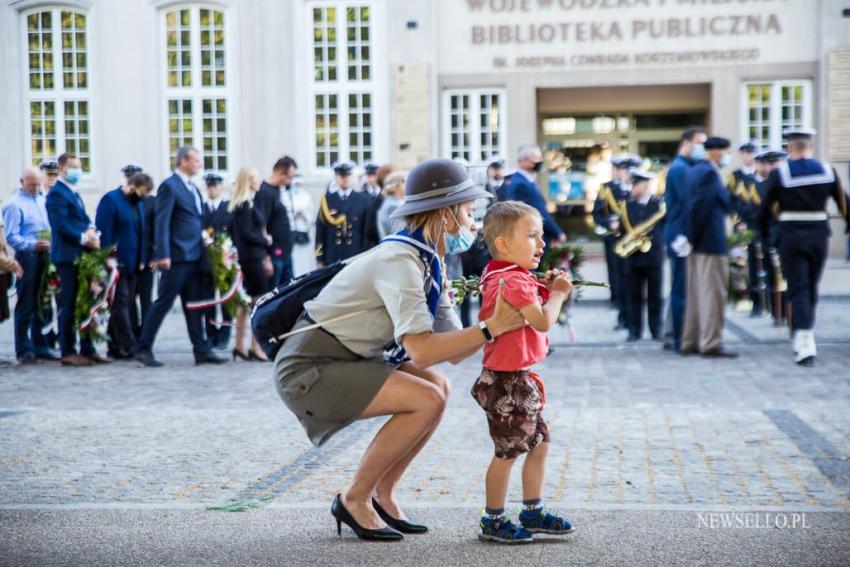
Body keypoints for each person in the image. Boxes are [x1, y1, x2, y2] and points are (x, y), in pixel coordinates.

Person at [274, 158, 525, 541]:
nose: (474, 224)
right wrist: (491, 327)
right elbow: (421, 350)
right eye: (469, 213)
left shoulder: (429, 260)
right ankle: (354, 498)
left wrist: (500, 313)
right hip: (309, 367)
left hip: (347, 356)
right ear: (444, 214)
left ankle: (382, 494)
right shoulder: (401, 260)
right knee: (424, 398)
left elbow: (455, 350)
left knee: (438, 388)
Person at [471, 201, 574, 544]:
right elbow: (544, 319)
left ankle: (532, 511)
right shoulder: (513, 281)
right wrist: (558, 295)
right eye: (532, 236)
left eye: (541, 236)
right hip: (506, 383)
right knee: (508, 451)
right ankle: (493, 519)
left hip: (519, 378)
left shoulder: (506, 274)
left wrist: (544, 287)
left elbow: (530, 303)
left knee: (540, 442)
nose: (541, 245)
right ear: (503, 244)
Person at [758, 128, 849, 366]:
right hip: (818, 234)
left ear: (789, 148)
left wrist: (766, 236)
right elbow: (844, 204)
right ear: (810, 147)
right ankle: (804, 332)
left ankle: (804, 339)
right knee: (811, 286)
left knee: (798, 288)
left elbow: (765, 208)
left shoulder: (781, 173)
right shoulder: (828, 171)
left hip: (791, 235)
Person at [134, 146, 225, 368]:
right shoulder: (170, 186)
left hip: (194, 255)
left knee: (194, 305)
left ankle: (201, 350)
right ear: (183, 161)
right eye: (196, 160)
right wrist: (163, 254)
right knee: (163, 302)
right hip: (176, 257)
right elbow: (162, 222)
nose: (199, 164)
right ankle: (143, 347)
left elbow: (194, 219)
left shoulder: (193, 187)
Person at [44, 153, 107, 366]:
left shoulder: (73, 192)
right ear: (62, 169)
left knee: (87, 302)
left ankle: (87, 347)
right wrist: (84, 239)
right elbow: (61, 226)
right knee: (70, 304)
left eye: (80, 167)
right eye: (73, 167)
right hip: (68, 256)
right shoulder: (57, 194)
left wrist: (92, 232)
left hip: (83, 256)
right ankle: (68, 350)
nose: (77, 171)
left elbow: (84, 219)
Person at [681, 136, 738, 358]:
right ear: (716, 152)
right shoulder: (707, 172)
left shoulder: (697, 170)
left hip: (699, 242)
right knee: (712, 295)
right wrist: (693, 239)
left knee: (697, 295)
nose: (727, 156)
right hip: (708, 243)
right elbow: (699, 208)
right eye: (725, 152)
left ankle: (692, 340)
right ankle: (710, 343)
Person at [2, 166, 56, 363]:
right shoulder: (14, 205)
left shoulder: (42, 200)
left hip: (45, 254)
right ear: (22, 182)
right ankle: (24, 349)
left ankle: (41, 345)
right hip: (28, 256)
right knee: (26, 303)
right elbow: (11, 236)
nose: (35, 188)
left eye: (38, 184)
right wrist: (32, 244)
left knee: (43, 301)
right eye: (31, 184)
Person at [96, 169, 150, 360]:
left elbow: (141, 231)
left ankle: (114, 346)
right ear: (132, 187)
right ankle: (130, 345)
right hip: (116, 263)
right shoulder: (111, 200)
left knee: (125, 304)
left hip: (134, 264)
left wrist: (143, 259)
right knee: (120, 305)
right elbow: (105, 232)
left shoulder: (137, 203)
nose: (143, 198)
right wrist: (107, 258)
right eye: (142, 193)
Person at [663, 127, 707, 352]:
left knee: (682, 288)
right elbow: (690, 203)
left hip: (681, 234)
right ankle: (682, 340)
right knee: (682, 289)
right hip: (681, 236)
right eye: (700, 143)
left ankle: (675, 335)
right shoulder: (681, 169)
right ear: (687, 142)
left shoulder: (685, 167)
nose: (703, 148)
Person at [229, 167, 272, 362]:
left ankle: (239, 346)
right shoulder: (245, 204)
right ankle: (256, 346)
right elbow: (246, 232)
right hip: (253, 258)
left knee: (245, 303)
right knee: (259, 302)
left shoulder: (241, 204)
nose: (260, 181)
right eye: (256, 178)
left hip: (249, 257)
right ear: (248, 181)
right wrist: (265, 241)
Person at [593, 155, 640, 330]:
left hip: (635, 241)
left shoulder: (638, 188)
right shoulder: (606, 189)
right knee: (619, 278)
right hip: (615, 239)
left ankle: (635, 318)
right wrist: (608, 223)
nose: (625, 173)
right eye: (622, 169)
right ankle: (623, 315)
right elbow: (597, 214)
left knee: (634, 279)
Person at [621, 171, 665, 342]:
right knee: (633, 295)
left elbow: (664, 228)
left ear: (645, 185)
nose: (632, 188)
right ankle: (634, 330)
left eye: (635, 184)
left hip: (653, 255)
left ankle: (656, 329)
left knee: (655, 294)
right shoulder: (626, 205)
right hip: (633, 257)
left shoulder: (658, 204)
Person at [502, 145, 566, 249]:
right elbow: (539, 212)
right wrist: (557, 233)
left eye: (540, 157)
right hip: (531, 242)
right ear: (523, 160)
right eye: (536, 157)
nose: (539, 161)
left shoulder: (525, 181)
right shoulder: (521, 184)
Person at [753, 150, 788, 325]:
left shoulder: (789, 182)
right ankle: (777, 313)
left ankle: (790, 314)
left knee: (789, 277)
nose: (772, 167)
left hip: (789, 235)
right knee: (773, 277)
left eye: (776, 163)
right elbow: (761, 214)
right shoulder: (764, 185)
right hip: (771, 236)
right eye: (770, 163)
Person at [727, 141, 762, 315]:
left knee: (758, 264)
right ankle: (742, 298)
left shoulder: (760, 174)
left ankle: (760, 301)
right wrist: (737, 221)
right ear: (741, 155)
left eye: (752, 152)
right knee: (739, 264)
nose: (749, 156)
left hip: (758, 225)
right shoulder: (735, 176)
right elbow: (730, 202)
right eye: (746, 152)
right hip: (741, 227)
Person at [200, 172, 233, 350]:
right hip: (206, 262)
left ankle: (224, 334)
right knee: (208, 301)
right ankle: (211, 334)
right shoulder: (201, 209)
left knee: (227, 300)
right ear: (206, 187)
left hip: (225, 261)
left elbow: (234, 233)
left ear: (220, 187)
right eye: (209, 186)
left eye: (215, 186)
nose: (212, 189)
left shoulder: (229, 208)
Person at [315, 161, 371, 266]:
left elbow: (367, 231)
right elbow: (320, 230)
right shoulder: (327, 200)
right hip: (333, 254)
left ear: (352, 177)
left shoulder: (363, 200)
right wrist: (320, 257)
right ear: (336, 178)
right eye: (341, 176)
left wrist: (366, 254)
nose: (345, 179)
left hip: (356, 253)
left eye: (348, 175)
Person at [256, 156, 296, 287]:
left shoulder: (278, 190)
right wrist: (266, 258)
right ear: (279, 173)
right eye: (289, 177)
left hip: (285, 253)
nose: (290, 181)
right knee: (274, 294)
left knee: (289, 292)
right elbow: (261, 225)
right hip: (274, 255)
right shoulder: (264, 192)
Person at [281, 173, 317, 277]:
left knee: (305, 261)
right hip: (291, 234)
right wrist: (293, 215)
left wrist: (304, 215)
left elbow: (312, 217)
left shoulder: (307, 196)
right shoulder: (286, 197)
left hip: (304, 233)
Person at [134, 177, 157, 336]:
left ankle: (145, 334)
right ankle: (133, 331)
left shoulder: (152, 202)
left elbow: (157, 229)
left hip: (148, 257)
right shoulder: (126, 201)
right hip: (131, 257)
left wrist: (156, 255)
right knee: (128, 300)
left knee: (146, 298)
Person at [377, 171, 405, 240]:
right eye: (404, 182)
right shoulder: (393, 206)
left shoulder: (391, 202)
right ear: (397, 186)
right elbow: (399, 233)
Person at [362, 161, 383, 249]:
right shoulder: (361, 196)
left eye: (374, 175)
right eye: (369, 175)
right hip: (366, 241)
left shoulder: (383, 195)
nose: (371, 179)